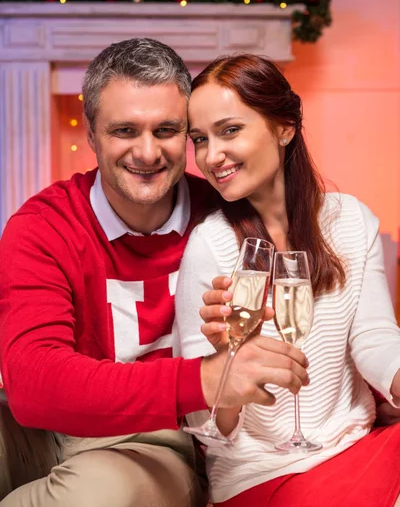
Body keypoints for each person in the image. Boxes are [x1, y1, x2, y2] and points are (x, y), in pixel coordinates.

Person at [0, 39, 310, 507]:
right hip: (39, 429)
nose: (147, 153)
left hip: (153, 440)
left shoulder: (227, 217)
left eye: (166, 130)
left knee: (95, 497)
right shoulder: (44, 224)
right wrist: (206, 379)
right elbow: (31, 382)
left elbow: (316, 307)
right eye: (124, 130)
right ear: (91, 134)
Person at [175, 54, 400, 507]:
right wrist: (225, 364)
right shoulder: (210, 246)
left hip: (357, 445)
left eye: (229, 130)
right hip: (263, 474)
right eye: (199, 139)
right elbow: (205, 423)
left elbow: (374, 337)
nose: (210, 156)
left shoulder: (351, 221)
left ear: (284, 127)